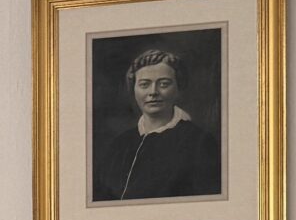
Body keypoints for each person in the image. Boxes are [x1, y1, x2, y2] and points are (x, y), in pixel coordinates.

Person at [91, 45, 220, 203]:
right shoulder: (119, 144)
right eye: (144, 84)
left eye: (164, 84)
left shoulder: (200, 143)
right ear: (134, 89)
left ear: (178, 88)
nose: (153, 92)